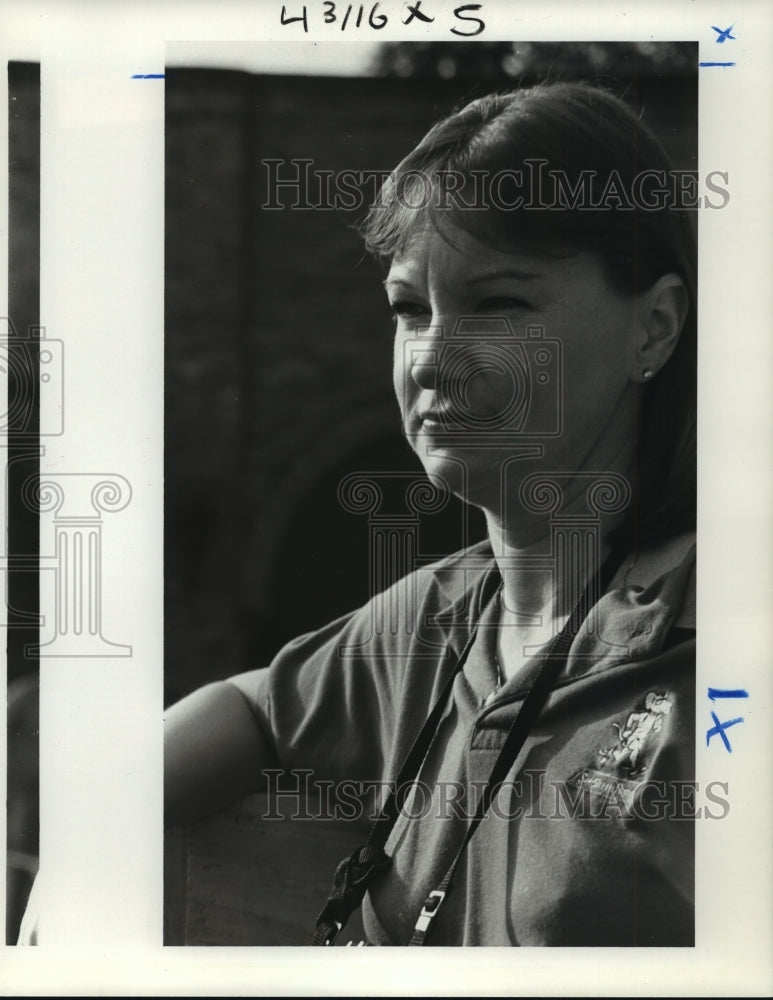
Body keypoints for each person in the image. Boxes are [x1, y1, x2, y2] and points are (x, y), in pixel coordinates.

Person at [164, 81, 696, 947]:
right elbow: (253, 709)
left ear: (654, 327)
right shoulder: (434, 623)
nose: (434, 361)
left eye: (500, 304)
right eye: (410, 309)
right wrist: (84, 856)